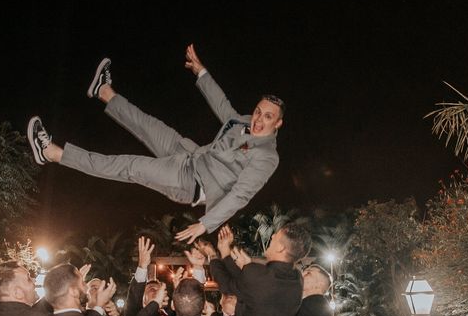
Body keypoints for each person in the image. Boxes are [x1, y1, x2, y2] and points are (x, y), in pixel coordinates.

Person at [27, 44, 284, 243]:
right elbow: (222, 105)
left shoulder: (267, 157)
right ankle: (104, 91)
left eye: (267, 117)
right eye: (258, 111)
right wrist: (201, 71)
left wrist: (206, 223)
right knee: (147, 124)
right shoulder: (244, 121)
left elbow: (241, 194)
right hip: (190, 153)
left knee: (130, 166)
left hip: (190, 182)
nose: (258, 119)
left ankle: (52, 153)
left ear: (278, 124)